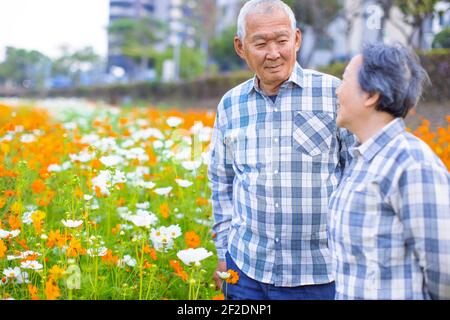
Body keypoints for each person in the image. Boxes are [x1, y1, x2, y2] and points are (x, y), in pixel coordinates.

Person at [208, 0, 355, 300]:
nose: (273, 53)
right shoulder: (231, 105)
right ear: (240, 47)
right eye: (260, 43)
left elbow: (359, 174)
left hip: (319, 276)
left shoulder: (334, 94)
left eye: (282, 40)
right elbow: (221, 181)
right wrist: (224, 253)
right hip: (246, 271)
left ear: (297, 39)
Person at [329, 42, 450, 299]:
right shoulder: (360, 160)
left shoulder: (411, 163)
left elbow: (445, 271)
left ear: (371, 95)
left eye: (344, 79)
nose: (337, 91)